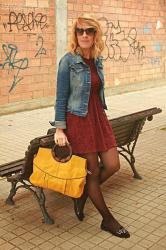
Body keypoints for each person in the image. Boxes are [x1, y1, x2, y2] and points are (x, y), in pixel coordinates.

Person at [51, 15, 130, 238]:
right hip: (78, 120)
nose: (84, 35)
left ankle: (82, 192)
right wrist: (60, 129)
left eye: (89, 31)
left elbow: (96, 91)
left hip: (97, 117)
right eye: (80, 31)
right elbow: (60, 97)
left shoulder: (97, 59)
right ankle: (108, 219)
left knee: (113, 164)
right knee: (93, 172)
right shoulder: (67, 61)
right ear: (75, 35)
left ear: (96, 35)